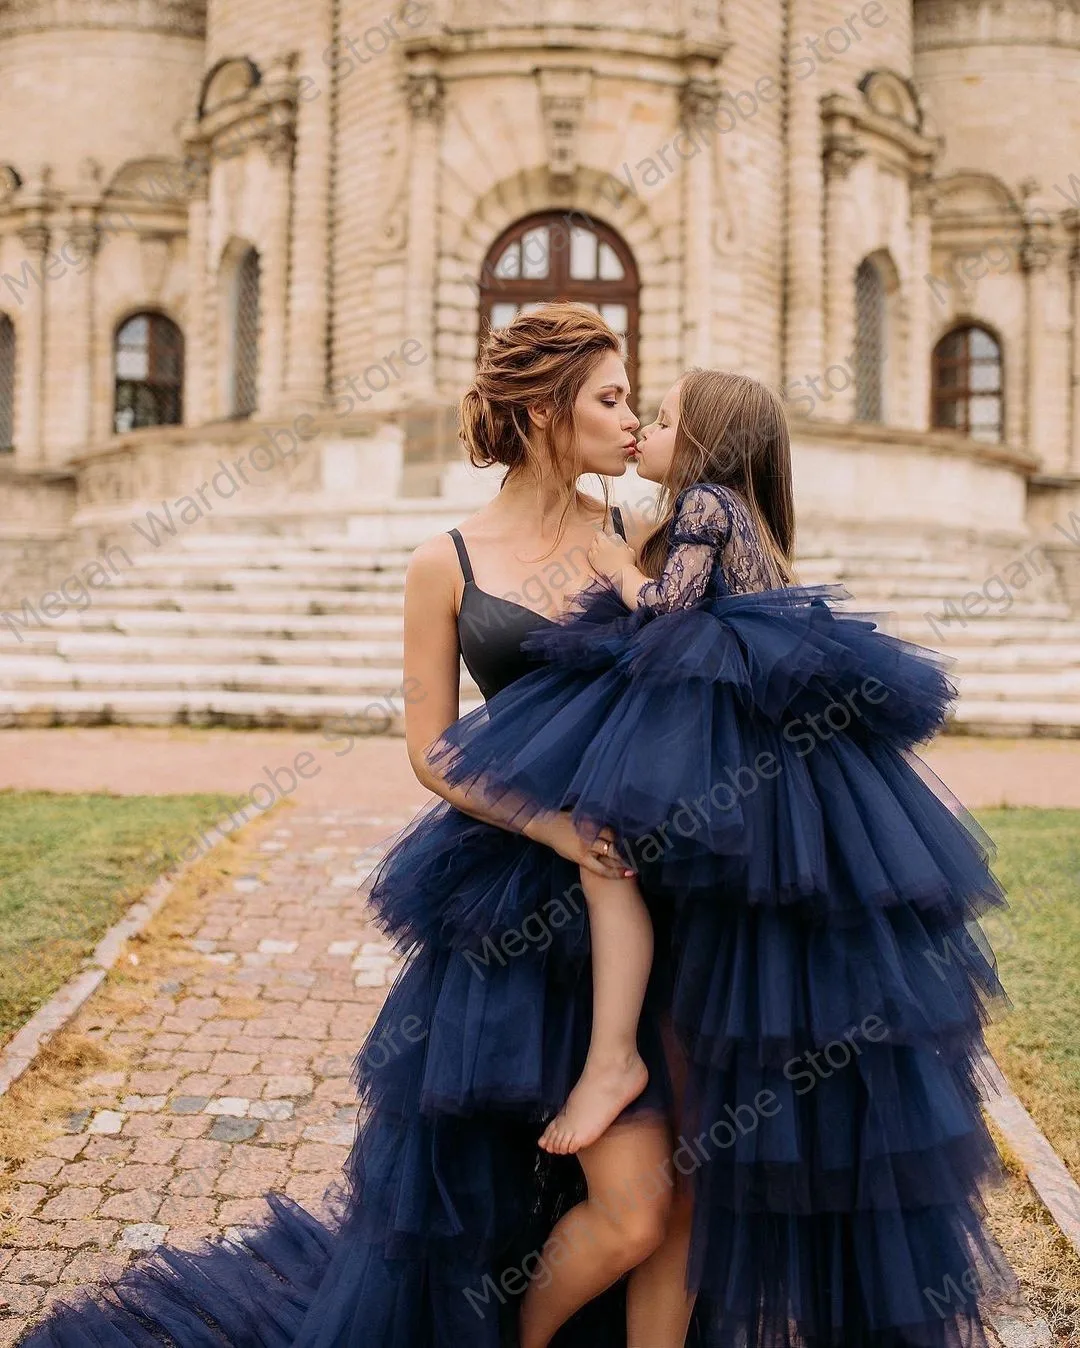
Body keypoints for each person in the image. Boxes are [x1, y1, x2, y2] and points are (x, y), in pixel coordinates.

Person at [19, 304, 1013, 1348]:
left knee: (684, 1198)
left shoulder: (636, 533)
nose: (632, 421)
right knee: (609, 1207)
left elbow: (728, 664)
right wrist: (547, 828)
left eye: (638, 401)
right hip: (523, 908)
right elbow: (431, 748)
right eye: (612, 397)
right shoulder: (441, 562)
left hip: (669, 898)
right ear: (546, 411)